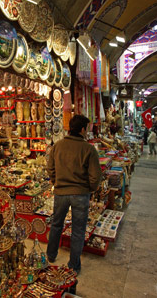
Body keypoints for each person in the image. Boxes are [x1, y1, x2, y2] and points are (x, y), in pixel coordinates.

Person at [46, 115, 102, 274]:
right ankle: (74, 265)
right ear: (83, 129)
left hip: (61, 193)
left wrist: (57, 181)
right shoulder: (88, 149)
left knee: (56, 224)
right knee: (78, 229)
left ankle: (51, 255)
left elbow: (50, 168)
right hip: (80, 194)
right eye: (87, 128)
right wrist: (90, 188)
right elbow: (95, 176)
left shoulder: (58, 146)